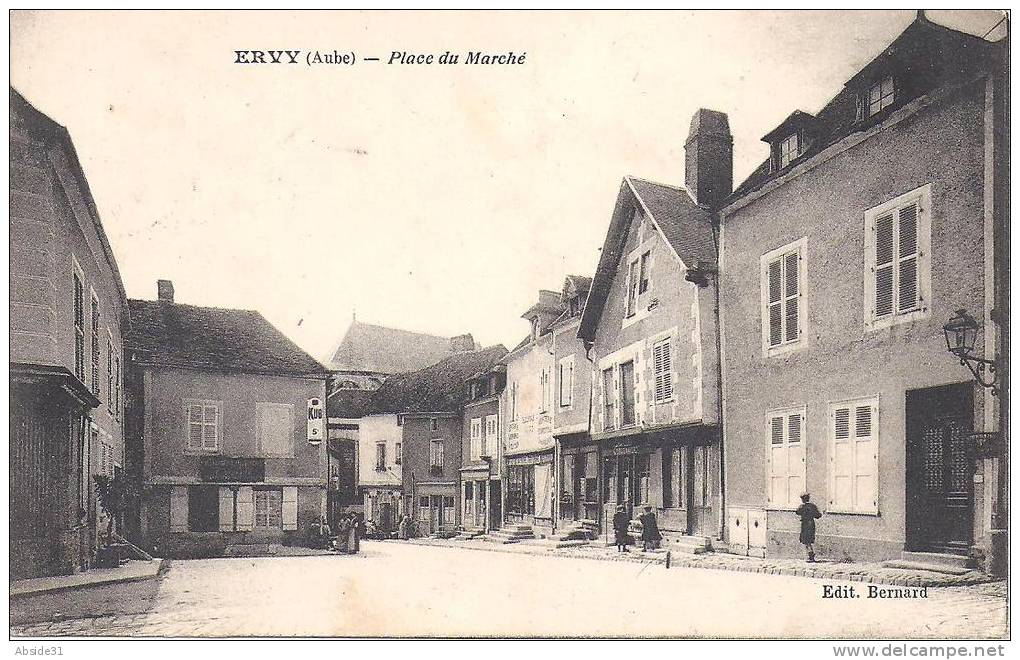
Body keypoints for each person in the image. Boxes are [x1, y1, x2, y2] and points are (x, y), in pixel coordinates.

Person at [795, 492, 822, 562]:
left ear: (802, 499)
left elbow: (797, 512)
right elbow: (818, 515)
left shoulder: (802, 506)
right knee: (809, 540)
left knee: (806, 540)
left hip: (805, 524)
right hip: (811, 524)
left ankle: (810, 555)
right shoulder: (813, 506)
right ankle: (810, 554)